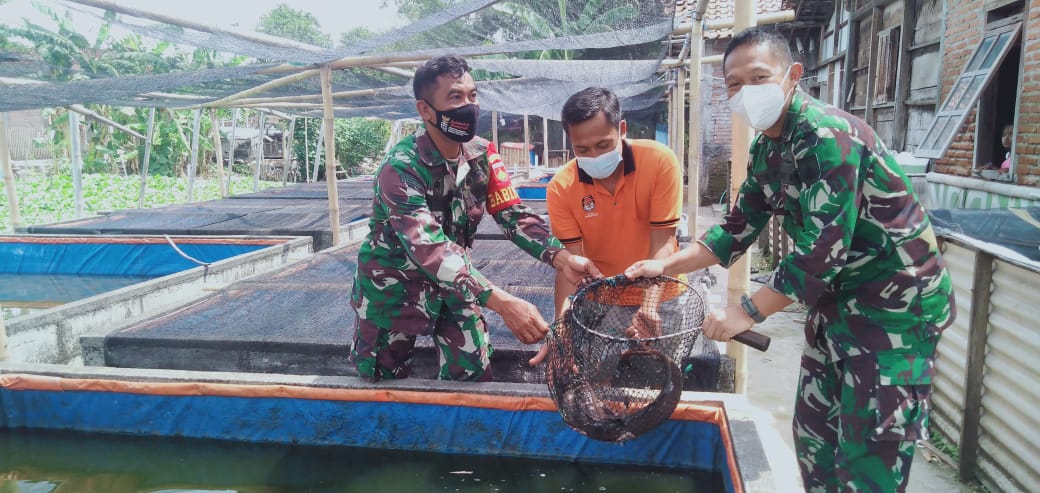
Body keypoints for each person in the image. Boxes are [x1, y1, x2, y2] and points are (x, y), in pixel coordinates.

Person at [625, 28, 955, 492]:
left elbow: (821, 253)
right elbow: (736, 230)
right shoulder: (769, 146)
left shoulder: (827, 135)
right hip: (836, 307)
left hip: (894, 314)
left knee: (868, 459)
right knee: (814, 441)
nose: (746, 92)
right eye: (734, 84)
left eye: (759, 77)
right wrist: (665, 266)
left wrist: (745, 313)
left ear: (792, 75)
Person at [350, 55, 590, 382]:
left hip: (456, 285)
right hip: (391, 289)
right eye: (455, 97)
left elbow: (512, 214)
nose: (469, 106)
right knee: (382, 382)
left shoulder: (484, 155)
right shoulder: (401, 167)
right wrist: (502, 302)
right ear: (425, 110)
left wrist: (561, 258)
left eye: (472, 96)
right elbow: (430, 249)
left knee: (473, 375)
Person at [528, 87, 685, 365]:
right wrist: (560, 328)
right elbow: (571, 265)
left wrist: (648, 308)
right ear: (570, 142)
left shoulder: (659, 161)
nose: (595, 156)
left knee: (661, 379)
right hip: (604, 300)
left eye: (603, 145)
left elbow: (662, 241)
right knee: (602, 384)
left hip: (662, 297)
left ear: (621, 128)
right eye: (582, 149)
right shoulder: (562, 187)